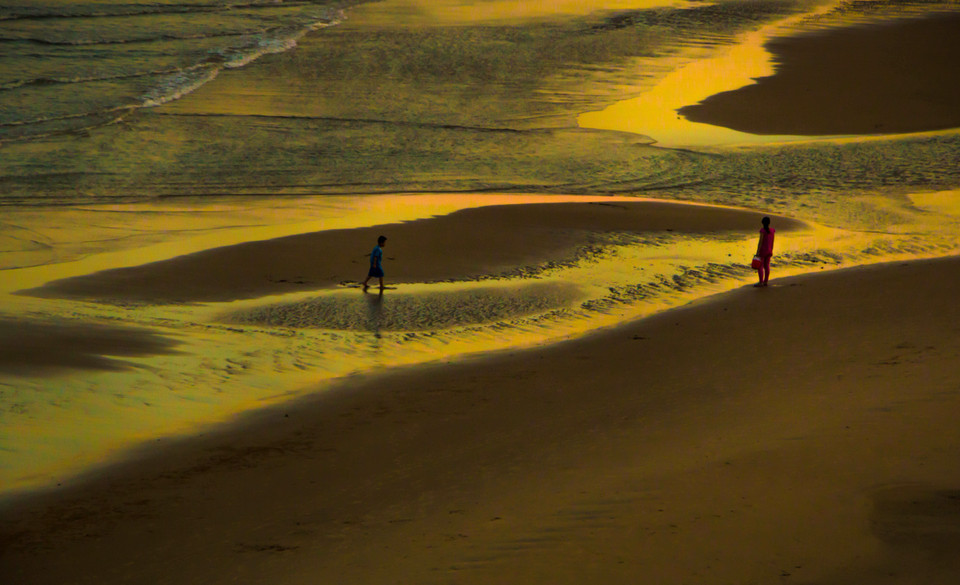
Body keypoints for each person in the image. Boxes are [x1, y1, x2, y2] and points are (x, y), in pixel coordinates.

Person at [755, 216, 775, 287]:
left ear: (762, 223)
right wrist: (771, 249)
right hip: (769, 250)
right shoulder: (772, 230)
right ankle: (766, 281)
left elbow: (760, 242)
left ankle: (761, 282)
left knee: (760, 266)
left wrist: (757, 252)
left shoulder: (763, 231)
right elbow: (772, 241)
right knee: (767, 266)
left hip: (763, 250)